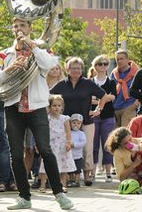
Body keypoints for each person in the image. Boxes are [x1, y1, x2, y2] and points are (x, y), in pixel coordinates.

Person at [0, 18, 73, 210]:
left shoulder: (41, 49)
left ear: (30, 29)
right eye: (15, 26)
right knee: (15, 154)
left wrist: (32, 46)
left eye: (22, 26)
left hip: (37, 108)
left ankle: (59, 193)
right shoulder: (3, 54)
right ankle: (24, 197)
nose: (18, 29)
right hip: (12, 107)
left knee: (45, 149)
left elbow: (50, 65)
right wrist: (8, 70)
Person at [49, 56, 109, 186]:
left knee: (87, 149)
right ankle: (70, 178)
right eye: (73, 68)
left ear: (82, 70)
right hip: (65, 123)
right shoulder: (61, 84)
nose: (76, 71)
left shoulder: (87, 83)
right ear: (67, 69)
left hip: (86, 121)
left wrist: (99, 109)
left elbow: (104, 96)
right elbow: (49, 97)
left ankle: (87, 175)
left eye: (78, 68)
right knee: (67, 148)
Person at [87, 55, 117, 183]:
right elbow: (89, 98)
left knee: (107, 144)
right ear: (95, 66)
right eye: (100, 64)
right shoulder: (90, 82)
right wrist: (104, 97)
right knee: (93, 144)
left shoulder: (110, 82)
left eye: (105, 64)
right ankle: (93, 172)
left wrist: (98, 99)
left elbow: (113, 97)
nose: (103, 66)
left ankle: (108, 172)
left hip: (108, 116)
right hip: (93, 116)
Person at [38, 95, 76, 192]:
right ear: (49, 106)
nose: (56, 107)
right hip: (50, 145)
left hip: (62, 145)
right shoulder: (46, 118)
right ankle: (43, 185)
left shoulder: (65, 119)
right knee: (45, 164)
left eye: (59, 105)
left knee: (63, 165)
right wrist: (40, 144)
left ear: (62, 107)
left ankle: (63, 185)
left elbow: (68, 132)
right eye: (54, 105)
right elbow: (42, 131)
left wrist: (68, 143)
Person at [110, 50, 141, 129]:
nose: (119, 61)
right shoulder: (114, 73)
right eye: (117, 59)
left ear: (127, 59)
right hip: (115, 107)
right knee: (115, 136)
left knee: (125, 135)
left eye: (122, 59)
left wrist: (134, 105)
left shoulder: (137, 72)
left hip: (129, 107)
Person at [68, 114, 86, 188]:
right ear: (70, 123)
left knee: (77, 170)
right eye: (74, 123)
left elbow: (83, 143)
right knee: (70, 170)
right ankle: (71, 180)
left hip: (78, 156)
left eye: (78, 123)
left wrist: (74, 145)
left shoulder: (81, 134)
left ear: (81, 124)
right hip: (70, 155)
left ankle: (76, 181)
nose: (76, 125)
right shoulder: (68, 132)